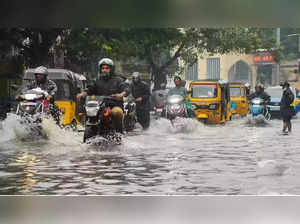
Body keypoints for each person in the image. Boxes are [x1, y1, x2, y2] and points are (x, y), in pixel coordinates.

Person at [77, 58, 130, 133]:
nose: (104, 70)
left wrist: (121, 94)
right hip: (99, 107)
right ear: (100, 69)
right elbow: (90, 89)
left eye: (107, 68)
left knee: (118, 112)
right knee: (88, 112)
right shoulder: (97, 80)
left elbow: (126, 89)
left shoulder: (118, 80)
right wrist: (82, 94)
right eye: (103, 68)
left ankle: (119, 132)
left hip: (114, 106)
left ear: (111, 69)